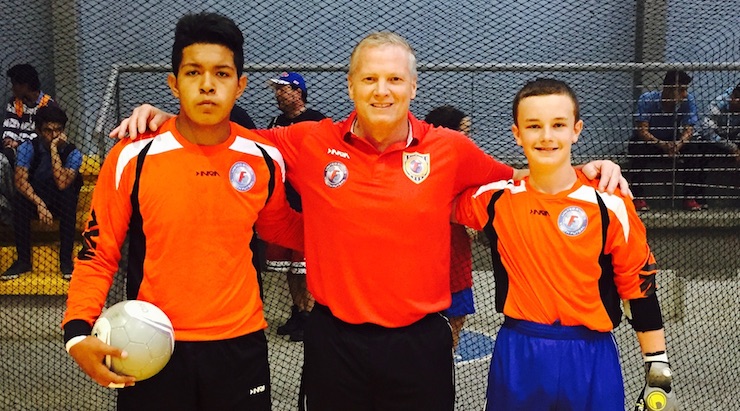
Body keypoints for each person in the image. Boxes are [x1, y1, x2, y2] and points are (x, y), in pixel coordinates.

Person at [111, 32, 628, 411]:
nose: (383, 90)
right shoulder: (312, 141)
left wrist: (584, 169)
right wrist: (165, 117)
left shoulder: (449, 149)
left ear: (413, 87)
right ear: (352, 85)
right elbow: (223, 138)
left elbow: (524, 177)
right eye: (370, 78)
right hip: (336, 341)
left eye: (394, 79)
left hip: (421, 341)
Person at [62, 13, 303, 411]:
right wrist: (76, 331)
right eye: (194, 72)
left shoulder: (263, 156)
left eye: (222, 74)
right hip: (150, 345)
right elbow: (97, 251)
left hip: (239, 347)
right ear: (174, 83)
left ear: (240, 86)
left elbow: (281, 228)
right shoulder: (132, 156)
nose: (207, 85)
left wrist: (355, 227)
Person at [454, 78, 673, 410]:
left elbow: (638, 288)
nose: (546, 136)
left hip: (591, 357)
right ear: (517, 133)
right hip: (519, 354)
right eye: (533, 126)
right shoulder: (494, 200)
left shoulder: (610, 201)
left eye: (558, 125)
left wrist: (659, 376)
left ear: (576, 129)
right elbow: (432, 195)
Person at [264, 71, 325, 342]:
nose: (278, 94)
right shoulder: (274, 123)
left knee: (306, 266)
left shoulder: (316, 121)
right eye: (276, 90)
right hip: (283, 203)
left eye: (283, 89)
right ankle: (298, 310)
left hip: (309, 206)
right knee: (288, 267)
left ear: (298, 91)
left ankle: (311, 316)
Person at [0, 105, 82, 281]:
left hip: (60, 199)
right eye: (48, 130)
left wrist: (54, 150)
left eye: (58, 130)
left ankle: (66, 261)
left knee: (68, 197)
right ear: (38, 130)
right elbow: (20, 182)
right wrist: (39, 204)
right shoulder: (27, 148)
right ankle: (23, 261)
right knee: (20, 201)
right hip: (36, 198)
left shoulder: (72, 152)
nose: (53, 135)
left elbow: (62, 183)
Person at [424, 105, 475, 351]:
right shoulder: (419, 167)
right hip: (427, 256)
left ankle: (447, 363)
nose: (467, 138)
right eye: (463, 132)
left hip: (457, 254)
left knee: (456, 317)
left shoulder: (470, 167)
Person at [628, 70, 705, 211]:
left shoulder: (687, 101)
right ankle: (638, 197)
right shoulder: (647, 99)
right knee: (636, 147)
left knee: (694, 149)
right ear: (668, 90)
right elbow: (642, 130)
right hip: (651, 142)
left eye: (685, 90)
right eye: (681, 90)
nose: (685, 94)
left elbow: (689, 129)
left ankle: (690, 198)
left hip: (673, 141)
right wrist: (661, 144)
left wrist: (679, 144)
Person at [3, 64, 58, 164]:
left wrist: (19, 143)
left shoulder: (48, 104)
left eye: (14, 84)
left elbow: (44, 135)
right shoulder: (14, 103)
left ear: (25, 86)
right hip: (14, 147)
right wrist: (9, 139)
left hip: (37, 149)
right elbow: (10, 125)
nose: (12, 88)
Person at [700, 83, 740, 162]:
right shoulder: (718, 104)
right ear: (732, 94)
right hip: (713, 141)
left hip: (734, 138)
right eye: (736, 96)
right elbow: (707, 132)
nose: (737, 100)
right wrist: (732, 147)